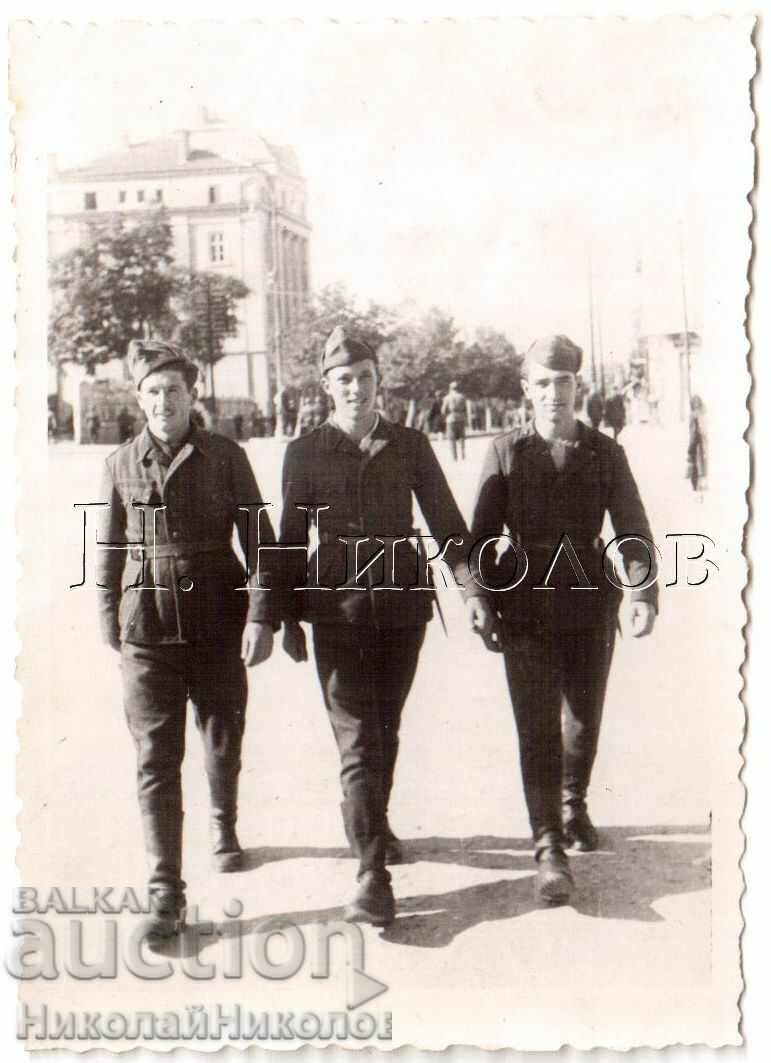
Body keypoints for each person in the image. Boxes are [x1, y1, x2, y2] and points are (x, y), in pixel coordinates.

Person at [279, 326, 471, 927]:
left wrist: (473, 592)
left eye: (364, 377)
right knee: (358, 737)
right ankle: (371, 875)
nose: (356, 389)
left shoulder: (410, 445)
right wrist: (284, 617)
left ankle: (374, 824)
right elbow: (288, 542)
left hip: (402, 603)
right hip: (335, 607)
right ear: (327, 387)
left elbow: (446, 522)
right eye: (344, 380)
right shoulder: (305, 451)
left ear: (377, 381)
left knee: (386, 727)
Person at [466, 335, 657, 906]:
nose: (554, 393)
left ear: (580, 387)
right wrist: (478, 595)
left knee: (583, 722)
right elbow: (479, 538)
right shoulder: (504, 452)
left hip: (589, 602)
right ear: (527, 390)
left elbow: (633, 526)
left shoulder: (605, 452)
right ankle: (547, 842)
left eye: (564, 382)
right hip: (523, 605)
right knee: (537, 727)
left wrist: (643, 589)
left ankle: (572, 803)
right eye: (543, 383)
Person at [96, 339, 276, 938]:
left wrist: (259, 616)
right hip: (145, 624)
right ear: (138, 398)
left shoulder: (225, 456)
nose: (163, 401)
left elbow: (261, 542)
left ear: (191, 395)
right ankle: (163, 889)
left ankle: (223, 821)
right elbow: (112, 547)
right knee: (155, 755)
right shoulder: (120, 462)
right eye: (152, 391)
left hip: (217, 620)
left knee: (222, 733)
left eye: (173, 389)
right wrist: (107, 616)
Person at [441, 380, 467, 460]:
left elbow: (443, 410)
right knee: (461, 438)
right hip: (461, 417)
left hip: (451, 419)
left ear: (450, 388)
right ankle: (462, 455)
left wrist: (445, 416)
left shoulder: (447, 397)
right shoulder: (462, 397)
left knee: (451, 438)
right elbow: (465, 409)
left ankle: (454, 457)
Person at [687, 395, 707, 495]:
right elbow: (694, 430)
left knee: (697, 463)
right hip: (698, 442)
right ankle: (698, 484)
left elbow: (693, 431)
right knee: (699, 463)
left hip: (697, 442)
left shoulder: (694, 415)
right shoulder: (698, 415)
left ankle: (697, 485)